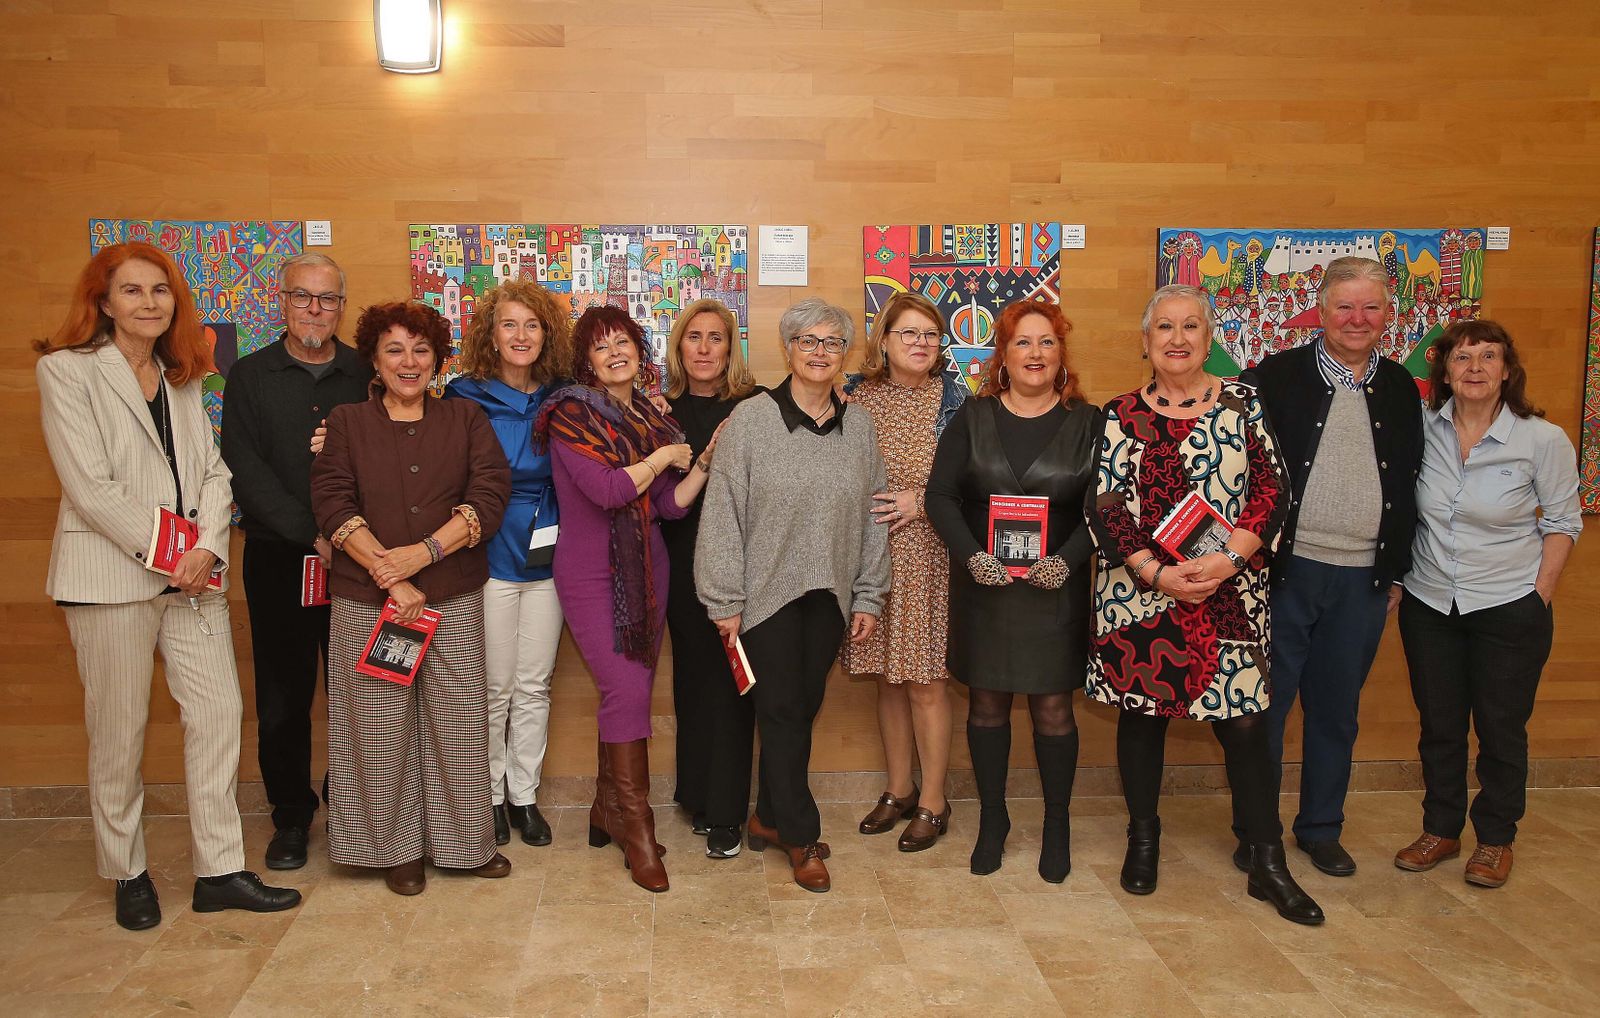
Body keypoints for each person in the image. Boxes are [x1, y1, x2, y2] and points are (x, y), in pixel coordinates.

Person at [35, 242, 301, 931]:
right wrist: (171, 554)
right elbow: (91, 487)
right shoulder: (68, 373)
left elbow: (213, 475)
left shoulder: (181, 376)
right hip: (112, 579)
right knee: (118, 732)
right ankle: (127, 872)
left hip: (193, 581)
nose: (149, 303)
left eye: (160, 291)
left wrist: (208, 547)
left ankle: (219, 870)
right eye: (132, 291)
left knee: (217, 717)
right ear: (102, 301)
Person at [1087, 284, 1323, 925]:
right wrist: (1157, 574)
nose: (1178, 338)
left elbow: (1273, 487)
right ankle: (1143, 839)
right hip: (1142, 596)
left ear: (1209, 338)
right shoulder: (1119, 413)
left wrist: (1230, 560)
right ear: (1146, 342)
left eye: (1191, 326)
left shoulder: (1245, 402)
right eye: (1164, 327)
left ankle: (1266, 857)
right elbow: (1105, 507)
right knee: (1142, 717)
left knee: (1246, 725)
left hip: (1230, 594)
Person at [311, 301, 512, 896]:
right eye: (394, 349)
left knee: (457, 719)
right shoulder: (347, 422)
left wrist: (421, 556)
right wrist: (390, 575)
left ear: (438, 359)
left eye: (421, 349)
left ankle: (464, 844)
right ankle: (392, 849)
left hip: (451, 592)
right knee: (379, 724)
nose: (409, 362)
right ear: (373, 359)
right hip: (369, 602)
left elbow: (490, 493)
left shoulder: (466, 419)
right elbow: (331, 502)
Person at [697, 297, 891, 893]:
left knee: (801, 712)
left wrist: (868, 595)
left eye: (833, 343)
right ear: (788, 350)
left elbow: (874, 514)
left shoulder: (858, 425)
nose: (821, 352)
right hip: (762, 596)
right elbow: (722, 512)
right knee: (781, 713)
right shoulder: (752, 420)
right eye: (809, 341)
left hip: (829, 594)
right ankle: (801, 834)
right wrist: (723, 598)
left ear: (845, 355)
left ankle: (769, 817)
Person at [1238, 256, 1424, 878]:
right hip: (1284, 574)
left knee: (1336, 713)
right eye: (1345, 306)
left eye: (1371, 307)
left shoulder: (1400, 388)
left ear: (1388, 314)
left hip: (1364, 582)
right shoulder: (1274, 378)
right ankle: (1256, 831)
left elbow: (1411, 482)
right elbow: (1245, 475)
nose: (1357, 319)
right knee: (1265, 708)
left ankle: (1320, 828)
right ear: (1321, 311)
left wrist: (1394, 571)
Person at [536, 305, 716, 894]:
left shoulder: (648, 414)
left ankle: (605, 809)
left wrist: (703, 465)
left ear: (640, 351)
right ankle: (637, 828)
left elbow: (664, 506)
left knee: (626, 692)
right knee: (627, 689)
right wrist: (666, 456)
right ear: (585, 361)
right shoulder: (569, 414)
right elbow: (612, 490)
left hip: (649, 568)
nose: (615, 353)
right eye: (601, 346)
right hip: (591, 574)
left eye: (624, 342)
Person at [1394, 320, 1581, 888]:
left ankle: (1496, 839)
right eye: (1462, 358)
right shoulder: (1421, 430)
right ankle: (1441, 830)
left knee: (1501, 729)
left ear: (1507, 369)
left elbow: (1563, 522)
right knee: (1440, 725)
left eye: (1488, 357)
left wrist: (1538, 595)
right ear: (1444, 371)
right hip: (1431, 602)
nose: (1474, 368)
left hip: (1508, 604)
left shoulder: (1540, 439)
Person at [924, 300, 1094, 882]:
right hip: (988, 589)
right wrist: (972, 555)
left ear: (1061, 354)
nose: (1036, 354)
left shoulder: (1088, 423)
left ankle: (1057, 825)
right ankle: (993, 821)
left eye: (1047, 343)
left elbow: (1109, 508)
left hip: (1054, 592)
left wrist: (1068, 561)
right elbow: (940, 497)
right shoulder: (971, 417)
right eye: (1023, 342)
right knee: (988, 706)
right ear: (1004, 353)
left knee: (1053, 710)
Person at [221, 252, 371, 870]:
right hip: (281, 560)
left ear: (343, 305)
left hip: (361, 561)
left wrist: (348, 537)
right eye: (303, 297)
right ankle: (290, 817)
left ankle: (355, 809)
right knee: (283, 698)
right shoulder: (251, 375)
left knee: (360, 692)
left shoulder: (366, 374)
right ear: (281, 301)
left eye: (328, 298)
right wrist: (316, 532)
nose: (316, 309)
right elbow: (243, 469)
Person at [443, 280, 574, 848]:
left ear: (545, 335)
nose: (521, 336)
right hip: (486, 547)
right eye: (509, 325)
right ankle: (489, 796)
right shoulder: (462, 397)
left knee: (535, 683)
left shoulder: (566, 396)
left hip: (551, 548)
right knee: (494, 686)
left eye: (532, 325)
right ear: (489, 335)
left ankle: (525, 796)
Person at [842, 292, 967, 854]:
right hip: (869, 560)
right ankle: (898, 789)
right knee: (884, 679)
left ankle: (934, 802)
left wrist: (924, 501)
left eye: (930, 334)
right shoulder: (853, 397)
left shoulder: (960, 400)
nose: (920, 343)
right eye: (908, 333)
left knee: (925, 682)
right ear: (884, 341)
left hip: (932, 557)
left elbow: (984, 479)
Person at [660, 298, 765, 859]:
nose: (704, 348)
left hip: (743, 568)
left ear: (731, 347)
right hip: (677, 562)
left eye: (716, 337)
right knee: (693, 681)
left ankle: (726, 810)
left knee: (734, 684)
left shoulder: (756, 407)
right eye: (693, 337)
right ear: (679, 347)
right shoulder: (659, 410)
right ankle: (696, 795)